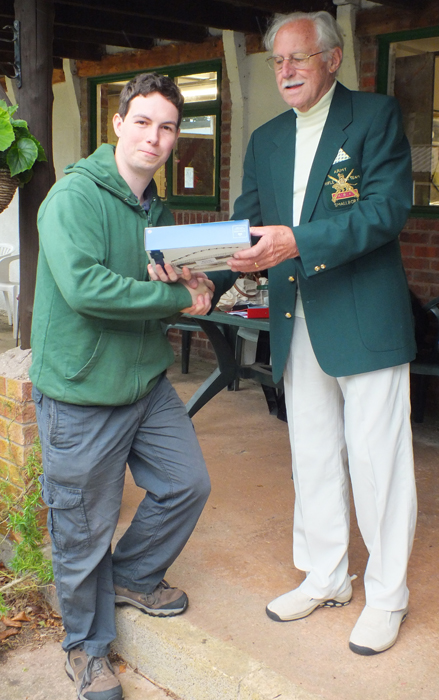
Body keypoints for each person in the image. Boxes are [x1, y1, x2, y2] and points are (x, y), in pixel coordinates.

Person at [225, 11, 418, 656]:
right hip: (294, 316)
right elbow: (246, 221)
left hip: (363, 314)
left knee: (377, 461)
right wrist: (208, 254)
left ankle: (388, 595)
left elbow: (386, 210)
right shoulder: (267, 137)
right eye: (277, 60)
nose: (284, 71)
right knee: (311, 451)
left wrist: (296, 241)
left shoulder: (374, 116)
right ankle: (327, 575)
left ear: (332, 60)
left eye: (298, 58)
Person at [30, 73, 213, 700]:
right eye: (143, 122)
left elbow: (152, 294)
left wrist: (191, 296)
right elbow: (85, 289)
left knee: (187, 482)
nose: (155, 138)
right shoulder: (73, 197)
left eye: (167, 127)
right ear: (117, 122)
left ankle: (132, 576)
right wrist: (168, 295)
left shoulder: (154, 208)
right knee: (82, 528)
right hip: (81, 392)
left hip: (144, 382)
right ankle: (86, 650)